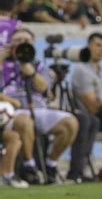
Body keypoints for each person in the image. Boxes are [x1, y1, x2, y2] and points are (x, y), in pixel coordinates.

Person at [3, 28, 79, 184]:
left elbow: (44, 88)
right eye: (18, 40)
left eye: (27, 41)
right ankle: (29, 166)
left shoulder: (39, 66)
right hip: (9, 111)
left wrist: (28, 69)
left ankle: (51, 164)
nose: (23, 44)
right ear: (10, 44)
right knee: (24, 120)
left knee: (70, 123)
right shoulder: (3, 63)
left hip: (38, 109)